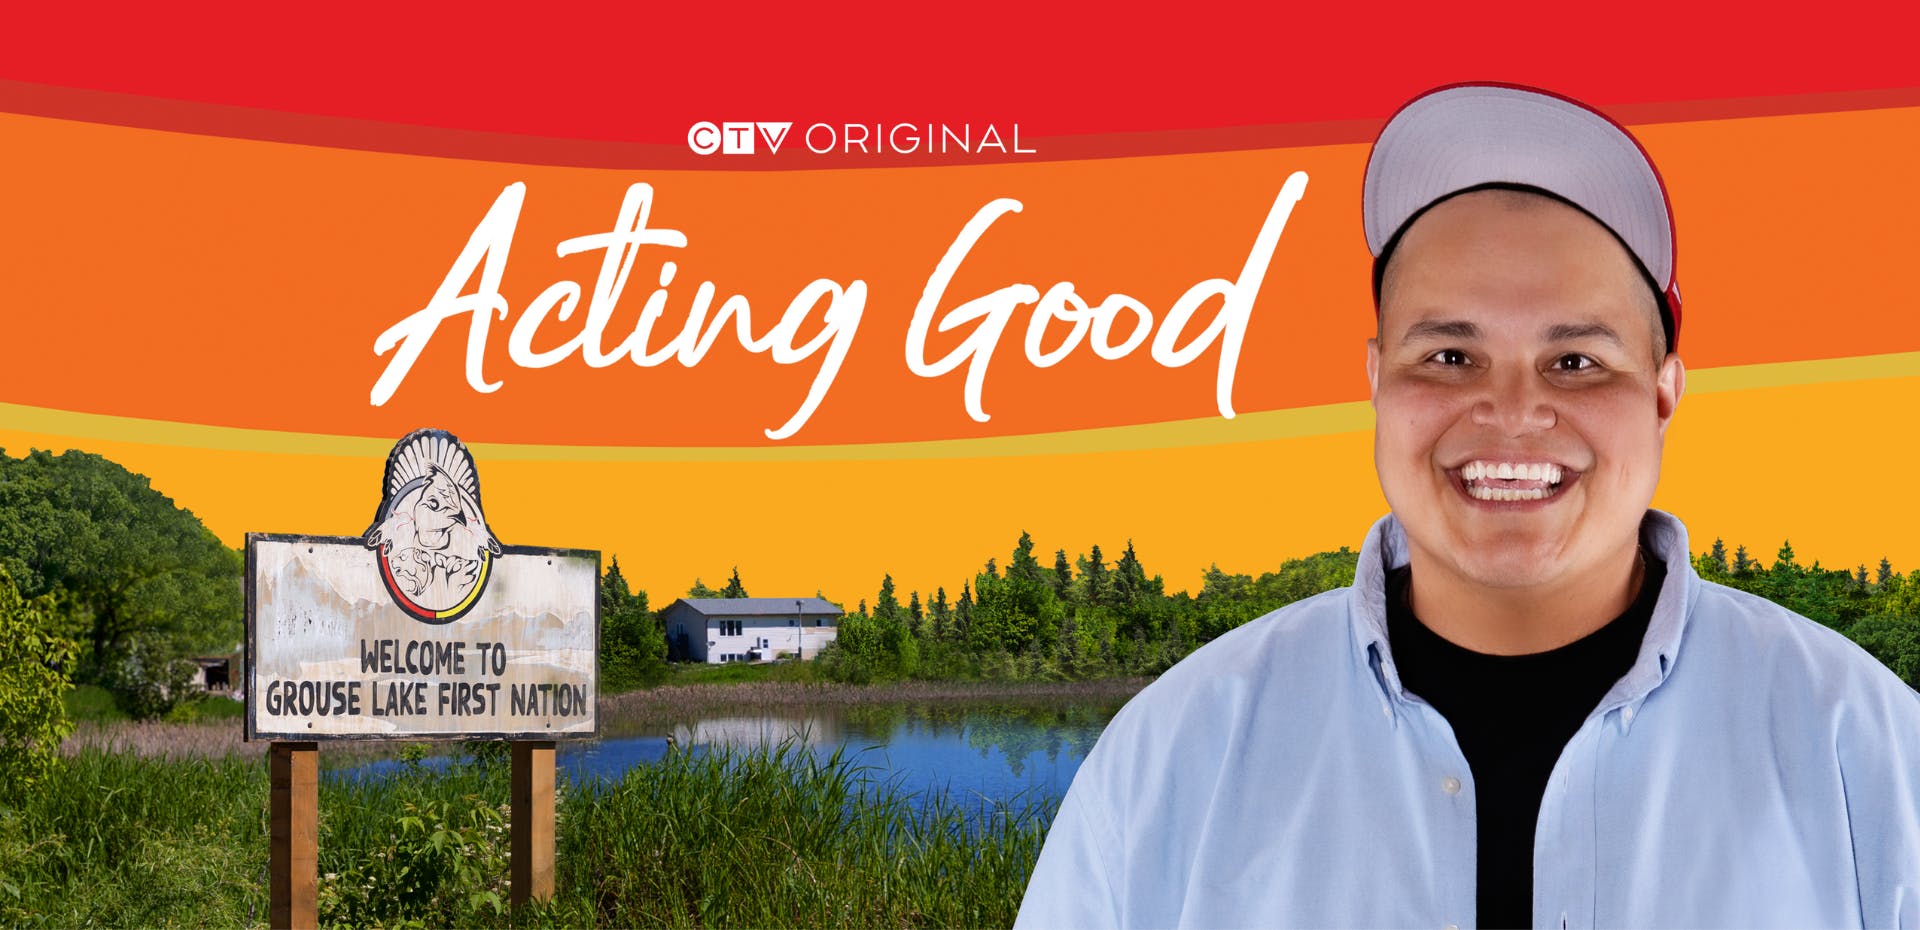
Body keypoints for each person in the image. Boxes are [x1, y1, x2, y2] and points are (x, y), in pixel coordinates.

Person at [1014, 83, 1920, 928]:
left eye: (1577, 361)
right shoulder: (1175, 756)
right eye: (1450, 357)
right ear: (1376, 382)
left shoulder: (1866, 749)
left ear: (1663, 393)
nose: (1515, 413)